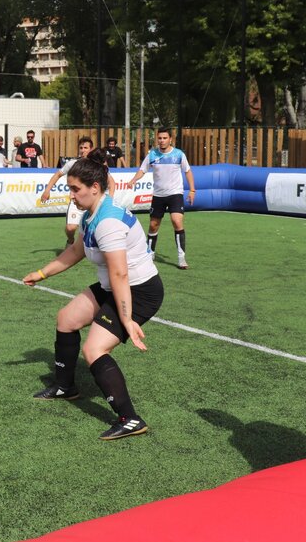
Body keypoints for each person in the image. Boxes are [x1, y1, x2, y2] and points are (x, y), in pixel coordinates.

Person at [23, 148, 163, 441]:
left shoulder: (108, 221)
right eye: (69, 189)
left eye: (75, 189)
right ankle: (65, 387)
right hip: (116, 286)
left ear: (95, 187)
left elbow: (120, 274)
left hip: (139, 291)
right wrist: (41, 273)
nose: (71, 195)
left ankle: (130, 419)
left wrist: (126, 320)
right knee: (66, 319)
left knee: (94, 350)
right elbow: (76, 251)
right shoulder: (92, 213)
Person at [125, 127, 196, 270]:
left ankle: (181, 258)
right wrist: (133, 180)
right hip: (158, 195)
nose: (162, 141)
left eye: (165, 138)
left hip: (175, 194)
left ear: (170, 139)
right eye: (160, 138)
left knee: (177, 221)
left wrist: (192, 190)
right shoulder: (152, 155)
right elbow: (142, 170)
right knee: (153, 225)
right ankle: (149, 254)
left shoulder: (179, 154)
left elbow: (187, 171)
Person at [41, 136, 96, 247]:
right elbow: (58, 174)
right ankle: (70, 241)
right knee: (70, 228)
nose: (83, 150)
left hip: (92, 202)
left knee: (98, 228)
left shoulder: (96, 164)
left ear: (91, 149)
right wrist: (47, 191)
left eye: (85, 147)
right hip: (76, 201)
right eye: (81, 147)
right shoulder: (72, 163)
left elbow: (110, 181)